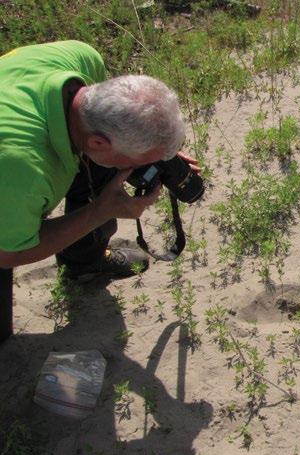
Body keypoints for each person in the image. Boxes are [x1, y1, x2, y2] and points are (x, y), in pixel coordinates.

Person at [0, 40, 196, 342]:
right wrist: (100, 211)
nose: (147, 167)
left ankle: (84, 262)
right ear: (99, 144)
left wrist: (158, 153)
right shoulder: (23, 169)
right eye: (143, 162)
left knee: (102, 166)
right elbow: (8, 253)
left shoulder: (81, 59)